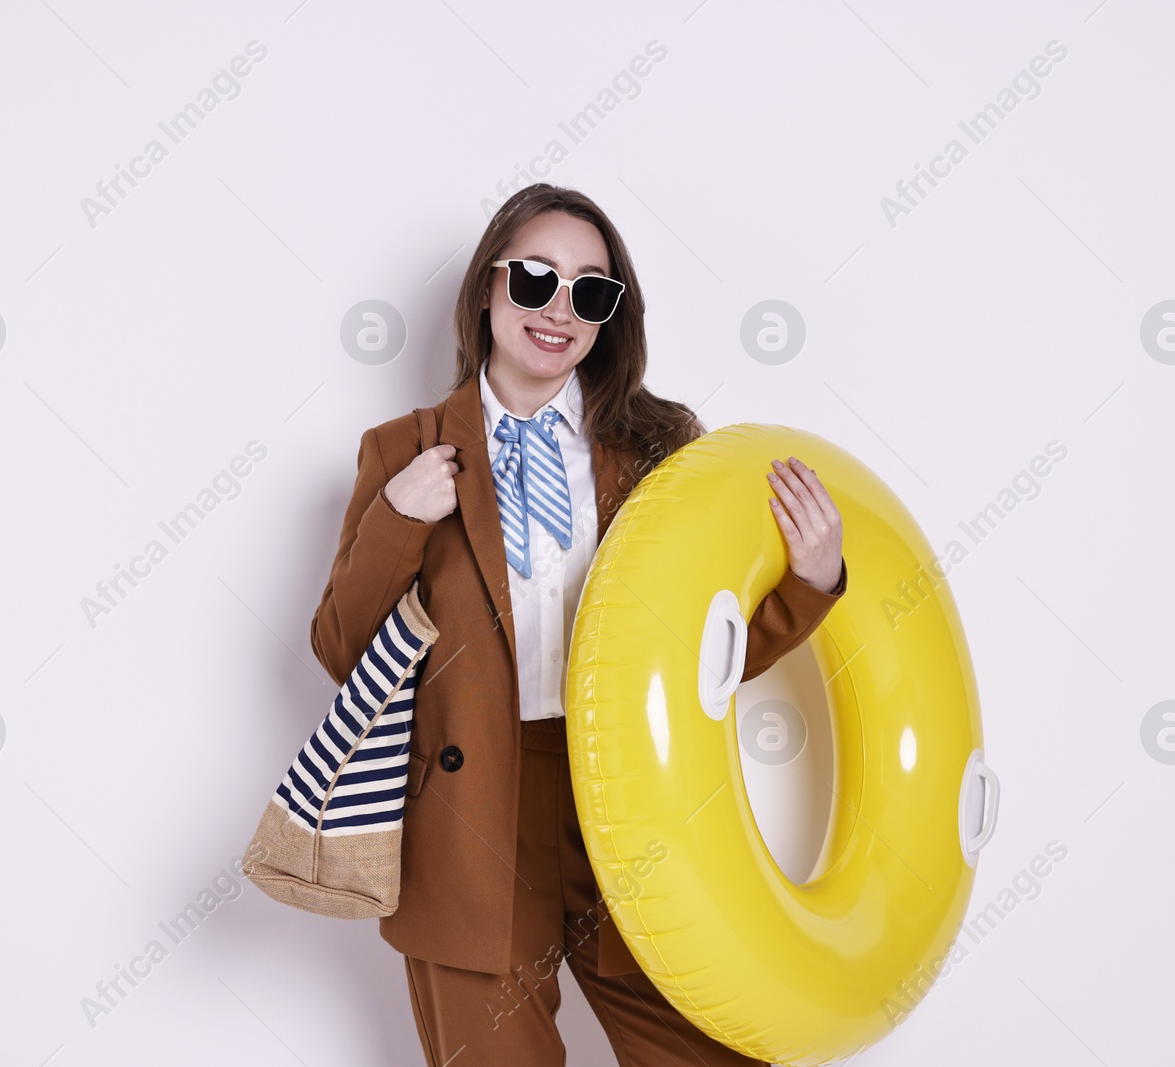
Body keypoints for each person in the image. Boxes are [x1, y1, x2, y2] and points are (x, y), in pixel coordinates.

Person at [310, 183, 848, 1066]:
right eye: (534, 279)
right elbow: (341, 648)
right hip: (469, 816)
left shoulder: (657, 457)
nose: (558, 309)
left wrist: (812, 580)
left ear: (610, 317)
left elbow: (704, 658)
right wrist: (400, 518)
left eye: (590, 291)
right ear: (486, 288)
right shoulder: (400, 450)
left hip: (631, 799)